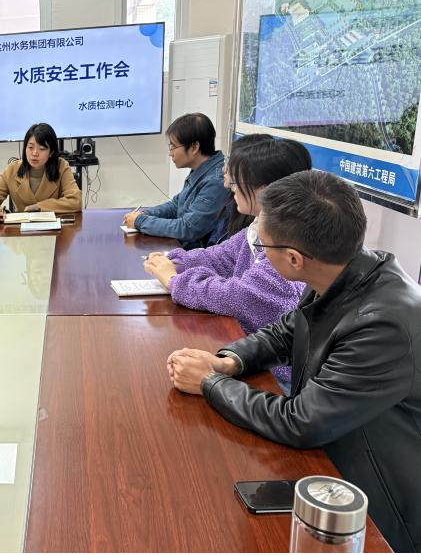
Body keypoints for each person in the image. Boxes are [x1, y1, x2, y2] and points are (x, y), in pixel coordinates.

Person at [165, 170, 421, 553]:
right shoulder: (345, 271)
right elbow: (286, 331)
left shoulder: (383, 326)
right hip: (334, 468)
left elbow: (302, 421)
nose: (259, 252)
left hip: (379, 511)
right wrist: (230, 362)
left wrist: (209, 383)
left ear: (294, 259)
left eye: (263, 244)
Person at [144, 137, 311, 392]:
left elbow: (239, 296)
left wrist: (174, 281)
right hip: (248, 353)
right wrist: (175, 261)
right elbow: (220, 257)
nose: (227, 183)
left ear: (267, 189)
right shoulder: (259, 226)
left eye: (236, 179)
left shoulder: (289, 243)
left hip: (277, 377)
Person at [124, 113, 226, 249]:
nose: (170, 153)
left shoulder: (215, 181)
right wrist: (145, 214)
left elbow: (188, 228)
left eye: (173, 147)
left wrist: (141, 221)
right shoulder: (201, 169)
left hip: (196, 255)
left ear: (194, 147)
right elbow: (176, 205)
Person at [0, 122, 82, 221]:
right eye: (30, 147)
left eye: (42, 149)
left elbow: (75, 201)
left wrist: (40, 207)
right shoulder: (12, 169)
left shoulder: (61, 167)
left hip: (53, 228)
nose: (34, 153)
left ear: (51, 152)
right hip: (20, 229)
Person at [205, 133, 273, 246]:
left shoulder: (260, 225)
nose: (224, 169)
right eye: (227, 160)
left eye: (230, 163)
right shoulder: (233, 201)